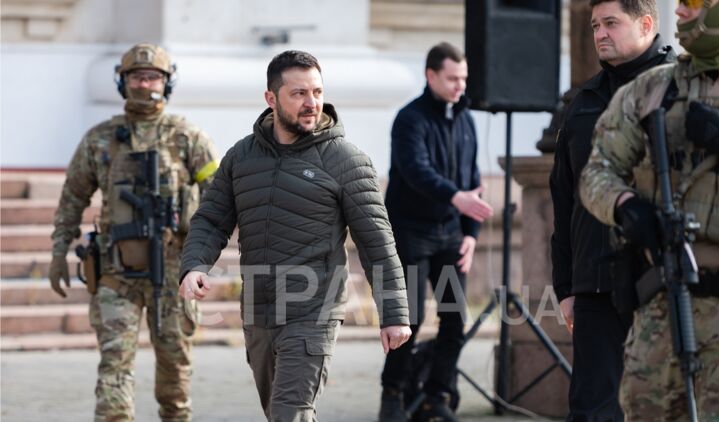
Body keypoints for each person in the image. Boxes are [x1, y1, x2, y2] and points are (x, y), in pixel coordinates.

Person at [178, 50, 412, 422]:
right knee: (279, 413)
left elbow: (377, 243)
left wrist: (394, 314)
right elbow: (210, 219)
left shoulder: (346, 161)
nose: (311, 103)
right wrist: (194, 265)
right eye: (299, 93)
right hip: (258, 309)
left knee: (291, 413)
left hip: (313, 309)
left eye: (317, 92)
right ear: (271, 99)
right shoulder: (241, 157)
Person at [579, 0, 719, 419]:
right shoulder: (653, 89)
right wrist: (624, 206)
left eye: (693, 3)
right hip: (661, 303)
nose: (681, 12)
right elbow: (597, 171)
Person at [48, 43, 219, 421]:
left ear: (166, 83)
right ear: (122, 82)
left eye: (153, 77)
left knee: (175, 369)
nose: (144, 84)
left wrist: (201, 257)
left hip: (173, 270)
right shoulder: (99, 139)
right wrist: (59, 251)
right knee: (114, 364)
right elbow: (73, 197)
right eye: (137, 77)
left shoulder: (188, 137)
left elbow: (219, 199)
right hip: (116, 270)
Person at [549, 0, 675, 420]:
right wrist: (567, 286)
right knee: (592, 411)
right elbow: (563, 198)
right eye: (594, 26)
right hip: (597, 284)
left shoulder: (682, 88)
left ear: (645, 23)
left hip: (666, 281)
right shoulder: (582, 101)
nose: (600, 34)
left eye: (611, 23)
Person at [378, 42, 493, 422]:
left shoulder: (466, 119)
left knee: (454, 320)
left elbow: (472, 179)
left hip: (450, 235)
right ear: (430, 76)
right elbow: (416, 170)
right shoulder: (409, 119)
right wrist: (456, 197)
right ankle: (393, 394)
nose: (461, 86)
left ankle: (436, 395)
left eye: (464, 78)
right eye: (452, 78)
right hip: (411, 233)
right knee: (408, 319)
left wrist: (471, 234)